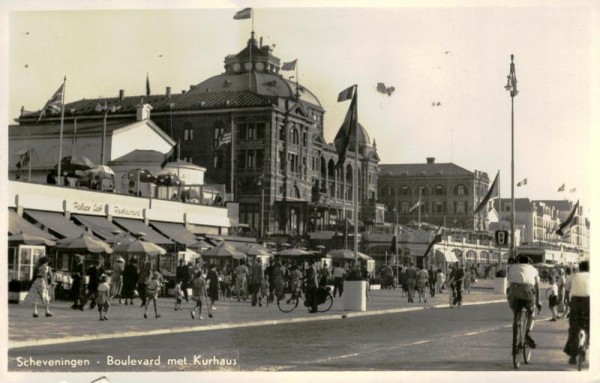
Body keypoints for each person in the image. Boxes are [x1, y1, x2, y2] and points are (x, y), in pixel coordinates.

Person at [506, 255, 542, 351]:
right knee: (531, 313)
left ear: (519, 262)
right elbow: (537, 288)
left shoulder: (512, 268)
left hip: (514, 292)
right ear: (529, 262)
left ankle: (515, 344)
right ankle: (528, 333)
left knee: (516, 315)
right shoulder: (534, 269)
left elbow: (509, 282)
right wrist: (538, 302)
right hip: (527, 292)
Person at [563, 260, 589, 365]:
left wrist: (569, 303)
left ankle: (573, 357)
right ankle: (585, 347)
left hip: (576, 302)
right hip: (589, 302)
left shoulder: (572, 276)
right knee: (591, 326)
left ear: (580, 268)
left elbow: (567, 292)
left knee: (574, 328)